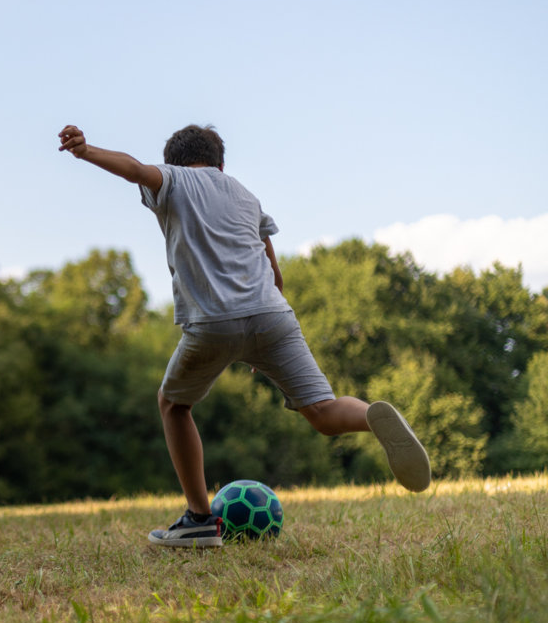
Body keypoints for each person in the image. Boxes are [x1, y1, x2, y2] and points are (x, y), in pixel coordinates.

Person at [57, 123, 432, 548]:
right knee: (323, 412)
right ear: (220, 164)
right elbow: (276, 275)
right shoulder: (245, 196)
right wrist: (258, 343)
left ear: (175, 162)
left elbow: (135, 170)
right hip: (273, 315)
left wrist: (86, 151)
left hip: (214, 320)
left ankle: (199, 520)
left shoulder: (174, 179)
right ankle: (371, 417)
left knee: (173, 405)